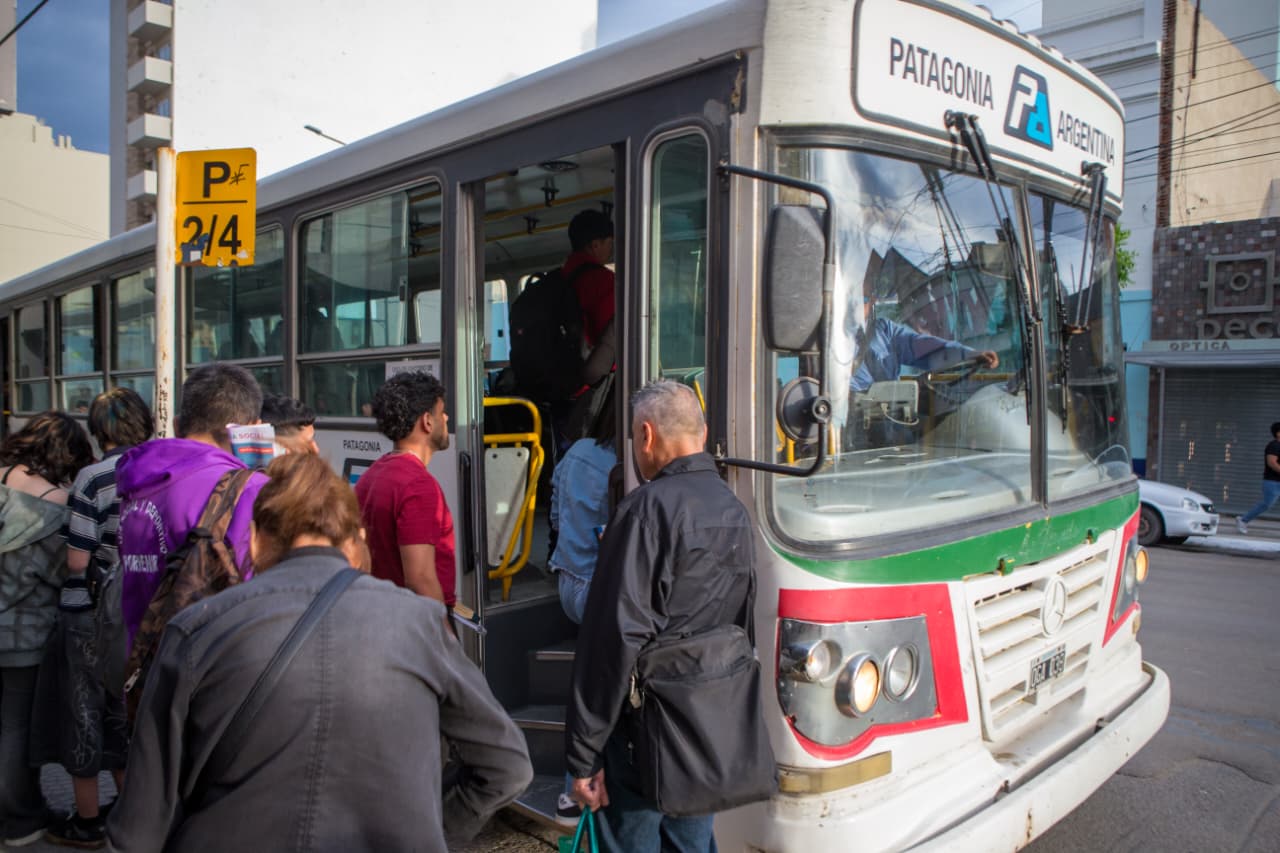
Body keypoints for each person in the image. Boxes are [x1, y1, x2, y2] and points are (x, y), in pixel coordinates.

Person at [105, 454, 533, 852]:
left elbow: (138, 828)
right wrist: (433, 830)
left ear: (254, 542)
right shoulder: (419, 622)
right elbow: (509, 766)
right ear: (355, 543)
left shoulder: (196, 629)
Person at [564, 380, 756, 852]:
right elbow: (741, 624)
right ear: (703, 432)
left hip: (644, 736)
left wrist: (584, 756)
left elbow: (611, 643)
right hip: (706, 725)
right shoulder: (734, 509)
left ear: (646, 436)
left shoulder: (643, 513)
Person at [35, 390, 152, 849]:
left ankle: (87, 821)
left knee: (84, 712)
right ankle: (133, 813)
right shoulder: (161, 466)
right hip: (140, 610)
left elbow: (78, 560)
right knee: (127, 712)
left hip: (88, 612)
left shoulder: (93, 477)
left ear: (99, 429)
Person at [115, 364, 268, 650]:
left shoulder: (137, 481)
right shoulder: (249, 489)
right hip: (211, 669)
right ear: (248, 432)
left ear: (176, 424)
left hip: (142, 667)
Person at [0, 412, 94, 847]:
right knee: (16, 729)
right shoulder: (58, 503)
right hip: (24, 638)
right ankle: (20, 820)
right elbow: (65, 574)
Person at [548, 388, 616, 826]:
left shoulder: (576, 453)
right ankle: (580, 782)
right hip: (598, 592)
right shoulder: (623, 464)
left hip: (568, 585)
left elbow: (555, 519)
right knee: (608, 694)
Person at [354, 371, 456, 620]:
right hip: (412, 622)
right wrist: (443, 637)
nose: (447, 418)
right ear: (427, 422)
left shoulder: (374, 474)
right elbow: (420, 579)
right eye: (441, 412)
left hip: (382, 614)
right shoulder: (418, 486)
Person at [1236, 421, 1280, 534]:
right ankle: (1243, 520)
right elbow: (1272, 463)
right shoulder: (1274, 446)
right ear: (1278, 433)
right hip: (1272, 481)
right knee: (1267, 504)